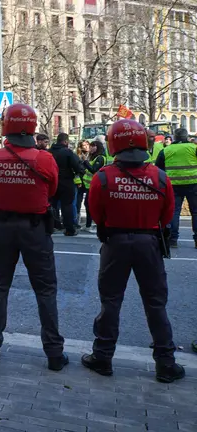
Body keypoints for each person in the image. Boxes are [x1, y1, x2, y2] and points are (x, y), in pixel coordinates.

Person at [83, 119, 185, 383]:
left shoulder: (103, 177)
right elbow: (167, 215)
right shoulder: (160, 177)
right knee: (155, 303)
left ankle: (102, 357)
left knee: (110, 301)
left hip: (114, 243)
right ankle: (166, 363)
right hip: (149, 243)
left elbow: (95, 212)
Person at [0, 103, 68, 371]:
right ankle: (54, 353)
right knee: (45, 290)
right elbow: (52, 188)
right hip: (35, 229)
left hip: (3, 227)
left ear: (6, 126)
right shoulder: (44, 158)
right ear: (32, 127)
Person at [155, 127, 197, 249]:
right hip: (193, 183)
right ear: (186, 136)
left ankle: (173, 239)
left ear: (174, 137)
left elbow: (159, 169)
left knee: (174, 211)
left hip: (173, 185)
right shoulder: (194, 148)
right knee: (195, 211)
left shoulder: (166, 150)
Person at [49, 132, 85, 236]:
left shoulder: (49, 152)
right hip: (66, 181)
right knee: (67, 205)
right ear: (65, 141)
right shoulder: (67, 152)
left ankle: (52, 226)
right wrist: (79, 173)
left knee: (52, 204)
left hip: (52, 181)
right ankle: (69, 229)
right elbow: (78, 166)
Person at [80, 140, 109, 232]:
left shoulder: (100, 158)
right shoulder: (93, 157)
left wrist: (85, 161)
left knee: (89, 205)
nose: (91, 148)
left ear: (98, 147)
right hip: (89, 185)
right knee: (87, 204)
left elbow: (93, 170)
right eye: (91, 146)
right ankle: (88, 224)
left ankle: (91, 224)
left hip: (95, 184)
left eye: (93, 146)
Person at [74, 141, 90, 229]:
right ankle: (77, 220)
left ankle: (88, 222)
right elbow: (76, 171)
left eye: (88, 144)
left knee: (88, 202)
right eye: (84, 145)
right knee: (78, 202)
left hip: (88, 182)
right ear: (80, 147)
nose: (87, 146)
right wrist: (78, 181)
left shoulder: (91, 155)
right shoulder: (77, 156)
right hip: (80, 181)